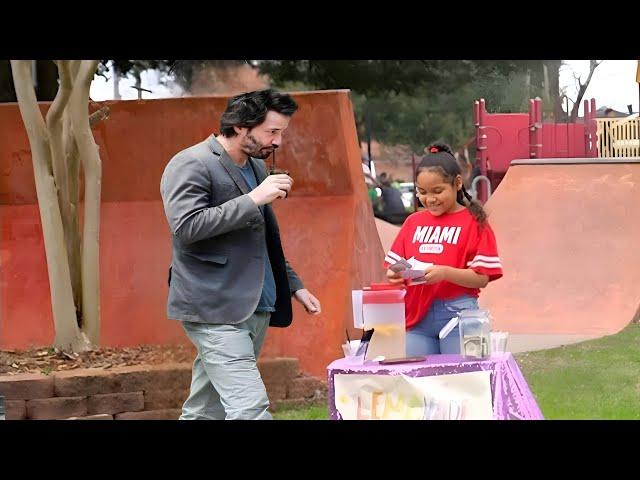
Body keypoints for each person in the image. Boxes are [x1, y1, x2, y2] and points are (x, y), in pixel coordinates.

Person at [160, 89, 322, 420]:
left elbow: (263, 238)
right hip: (213, 306)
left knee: (206, 409)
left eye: (281, 133)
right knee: (249, 408)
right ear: (240, 125)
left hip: (255, 305)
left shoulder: (255, 168)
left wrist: (294, 285)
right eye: (271, 132)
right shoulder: (191, 163)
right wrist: (253, 199)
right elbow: (187, 226)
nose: (277, 142)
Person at [383, 143, 502, 355]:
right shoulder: (413, 222)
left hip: (460, 316)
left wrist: (444, 273)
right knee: (417, 381)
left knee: (462, 380)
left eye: (438, 191)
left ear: (457, 183)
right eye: (422, 192)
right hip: (416, 317)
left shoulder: (474, 222)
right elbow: (395, 265)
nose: (430, 199)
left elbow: (482, 277)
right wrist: (394, 273)